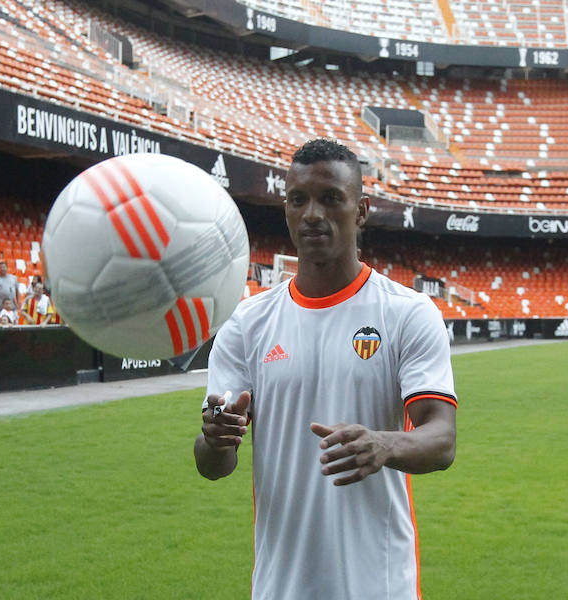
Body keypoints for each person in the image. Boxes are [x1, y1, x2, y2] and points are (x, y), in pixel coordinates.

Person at [194, 139, 457, 600]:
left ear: (362, 211)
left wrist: (384, 444)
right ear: (287, 210)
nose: (312, 214)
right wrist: (216, 437)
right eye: (298, 200)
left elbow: (442, 439)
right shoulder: (247, 323)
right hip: (281, 587)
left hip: (379, 587)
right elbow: (213, 464)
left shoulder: (408, 313)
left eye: (331, 198)